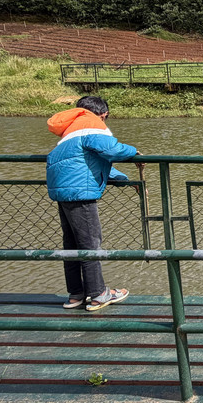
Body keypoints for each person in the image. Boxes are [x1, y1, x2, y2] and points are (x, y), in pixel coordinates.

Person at [46, 96, 140, 312]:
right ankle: (98, 294)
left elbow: (88, 163)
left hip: (64, 191)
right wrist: (133, 151)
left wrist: (122, 179)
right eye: (106, 118)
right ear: (102, 114)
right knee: (90, 243)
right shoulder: (91, 124)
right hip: (81, 193)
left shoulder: (71, 131)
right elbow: (113, 150)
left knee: (72, 245)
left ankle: (76, 295)